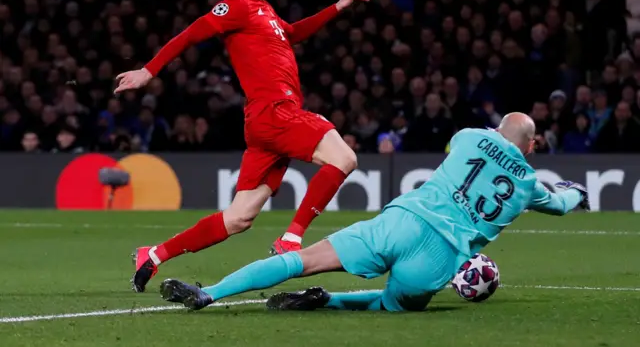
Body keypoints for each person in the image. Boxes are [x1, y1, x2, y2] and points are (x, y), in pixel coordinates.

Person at [113, 0, 373, 293]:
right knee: (344, 158)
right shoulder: (234, 6)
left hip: (266, 122)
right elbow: (191, 35)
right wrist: (149, 70)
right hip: (274, 112)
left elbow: (292, 33)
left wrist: (337, 7)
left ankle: (154, 254)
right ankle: (291, 240)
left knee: (238, 218)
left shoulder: (264, 10)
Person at [159, 113, 590, 312]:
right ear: (531, 147)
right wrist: (574, 191)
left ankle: (209, 293)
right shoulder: (531, 185)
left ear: (497, 130)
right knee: (391, 303)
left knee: (299, 260)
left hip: (402, 221)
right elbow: (561, 204)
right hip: (439, 258)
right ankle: (329, 302)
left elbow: (466, 149)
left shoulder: (471, 136)